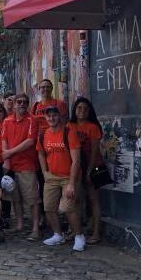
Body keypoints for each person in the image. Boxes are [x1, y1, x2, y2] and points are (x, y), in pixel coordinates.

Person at [37, 106, 85, 251]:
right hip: (51, 176)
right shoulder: (43, 134)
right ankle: (58, 235)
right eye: (48, 116)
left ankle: (79, 236)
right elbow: (40, 153)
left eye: (54, 115)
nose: (51, 118)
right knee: (49, 208)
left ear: (59, 116)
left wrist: (71, 183)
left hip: (68, 177)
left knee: (68, 208)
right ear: (45, 118)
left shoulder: (69, 133)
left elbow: (76, 160)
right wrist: (44, 172)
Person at [2, 93, 41, 240]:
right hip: (12, 165)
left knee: (32, 199)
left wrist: (8, 153)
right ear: (15, 104)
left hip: (27, 165)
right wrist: (6, 158)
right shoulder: (7, 121)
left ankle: (35, 228)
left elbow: (30, 142)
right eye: (19, 102)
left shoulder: (32, 120)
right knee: (15, 198)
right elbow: (4, 139)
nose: (22, 104)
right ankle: (19, 225)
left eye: (25, 102)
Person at [69, 97, 103, 245]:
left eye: (85, 108)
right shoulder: (69, 126)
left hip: (94, 165)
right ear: (74, 110)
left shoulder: (93, 127)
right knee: (75, 199)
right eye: (79, 108)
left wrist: (89, 171)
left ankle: (96, 233)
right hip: (77, 166)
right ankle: (76, 231)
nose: (82, 110)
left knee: (93, 200)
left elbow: (95, 152)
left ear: (89, 111)